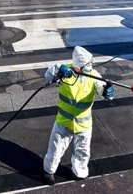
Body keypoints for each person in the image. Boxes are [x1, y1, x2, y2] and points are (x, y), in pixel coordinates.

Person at [42, 46, 114, 185]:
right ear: (79, 65)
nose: (90, 65)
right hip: (64, 122)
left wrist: (107, 91)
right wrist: (58, 70)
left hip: (84, 124)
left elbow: (101, 87)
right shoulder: (65, 70)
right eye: (87, 63)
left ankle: (79, 172)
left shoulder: (94, 76)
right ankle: (48, 170)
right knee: (55, 149)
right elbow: (48, 75)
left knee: (82, 151)